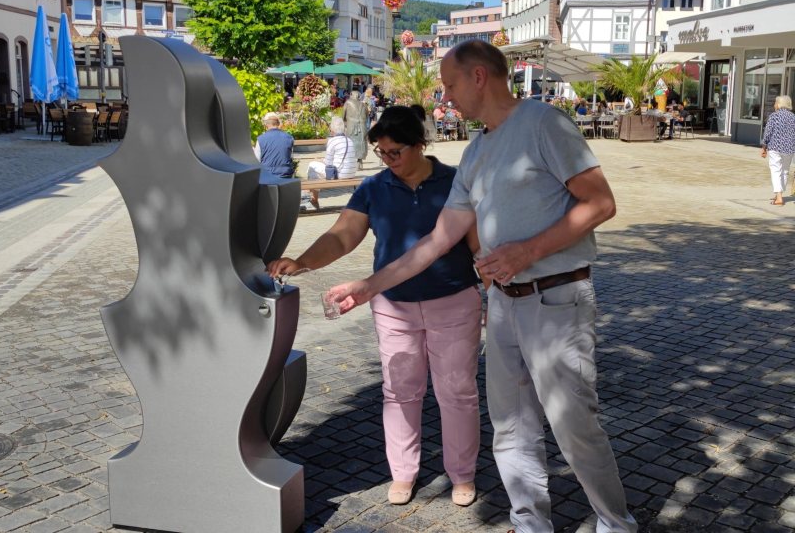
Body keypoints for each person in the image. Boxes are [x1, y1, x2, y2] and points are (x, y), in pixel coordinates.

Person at [328, 40, 637, 533]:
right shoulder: (477, 149)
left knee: (573, 425)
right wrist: (369, 286)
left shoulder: (544, 123)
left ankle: (615, 522)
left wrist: (526, 251)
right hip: (504, 303)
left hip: (555, 297)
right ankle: (530, 522)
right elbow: (437, 241)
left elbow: (600, 203)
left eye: (449, 84)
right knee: (511, 429)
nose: (445, 97)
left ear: (478, 77)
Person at [268, 106, 484, 509]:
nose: (388, 160)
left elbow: (477, 242)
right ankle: (403, 472)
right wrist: (302, 261)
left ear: (421, 144)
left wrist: (492, 286)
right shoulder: (374, 187)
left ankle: (462, 473)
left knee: (457, 391)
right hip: (393, 306)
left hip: (453, 299)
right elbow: (342, 236)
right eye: (382, 152)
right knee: (400, 391)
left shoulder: (455, 182)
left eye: (395, 151)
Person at [305, 116, 357, 209]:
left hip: (339, 174)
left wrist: (320, 160)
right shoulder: (349, 140)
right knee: (317, 168)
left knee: (312, 165)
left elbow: (328, 163)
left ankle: (314, 199)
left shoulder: (333, 141)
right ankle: (312, 192)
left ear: (332, 130)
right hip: (351, 172)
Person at [761, 95, 795, 206]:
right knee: (784, 171)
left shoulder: (774, 116)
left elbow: (768, 133)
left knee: (776, 170)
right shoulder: (793, 117)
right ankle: (778, 195)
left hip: (775, 147)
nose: (774, 105)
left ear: (779, 104)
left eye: (775, 103)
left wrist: (764, 147)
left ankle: (779, 198)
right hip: (789, 148)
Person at [253, 112, 294, 178]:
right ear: (278, 124)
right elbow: (290, 157)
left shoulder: (261, 139)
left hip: (267, 177)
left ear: (266, 125)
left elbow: (256, 161)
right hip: (286, 176)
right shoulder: (289, 138)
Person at [344, 90, 368, 170]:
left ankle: (351, 162)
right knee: (361, 143)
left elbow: (343, 115)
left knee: (351, 143)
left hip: (352, 126)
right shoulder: (363, 105)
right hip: (362, 127)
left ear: (351, 95)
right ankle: (359, 161)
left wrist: (346, 122)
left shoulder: (347, 103)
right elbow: (367, 116)